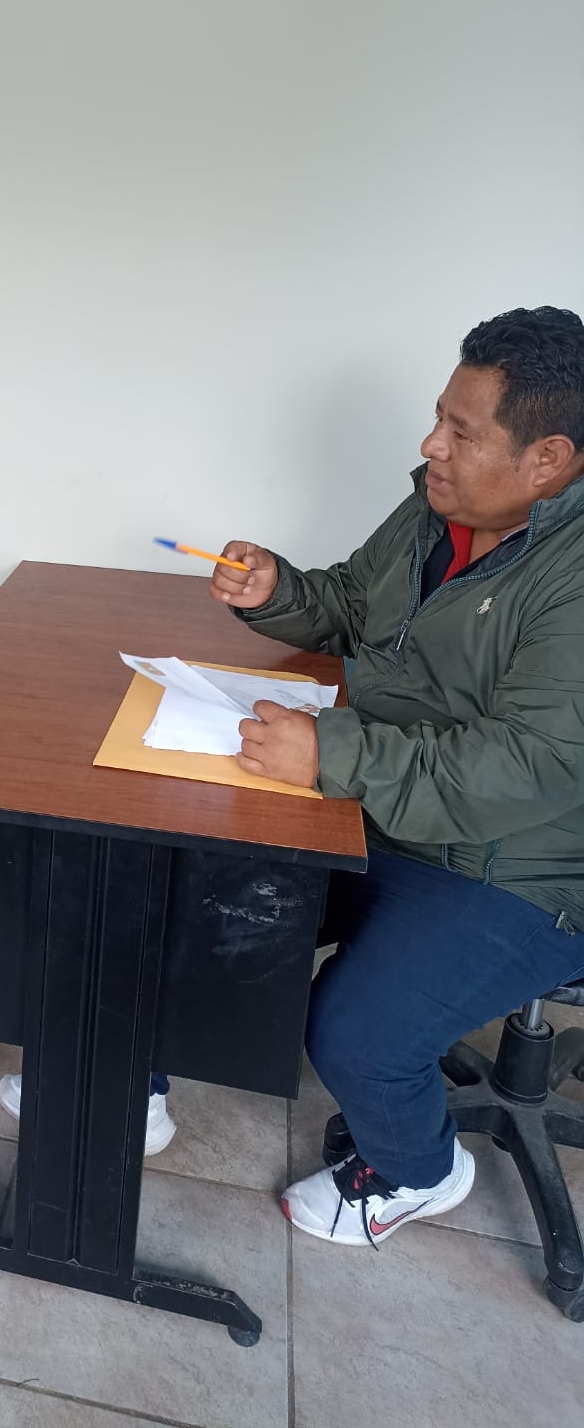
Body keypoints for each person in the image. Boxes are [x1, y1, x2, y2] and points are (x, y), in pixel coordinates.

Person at [208, 305, 584, 1247]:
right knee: (200, 882)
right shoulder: (442, 507)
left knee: (356, 1036)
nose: (430, 447)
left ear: (547, 459)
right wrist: (278, 592)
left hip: (519, 865)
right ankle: (127, 1084)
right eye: (437, 418)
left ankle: (419, 1170)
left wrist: (330, 755)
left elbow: (532, 767)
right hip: (384, 805)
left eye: (461, 431)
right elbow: (352, 602)